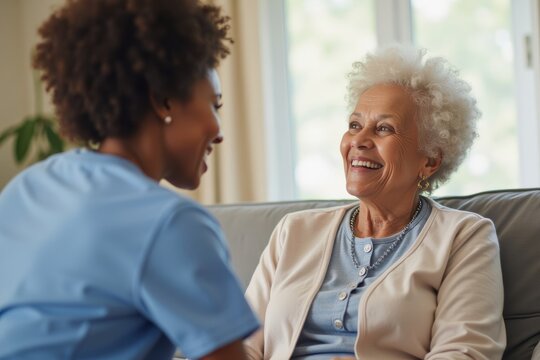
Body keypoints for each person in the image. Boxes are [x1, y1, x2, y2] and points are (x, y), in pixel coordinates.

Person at [0, 0, 259, 359]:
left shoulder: (31, 186)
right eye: (213, 104)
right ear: (164, 101)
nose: (219, 133)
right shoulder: (170, 223)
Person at [244, 46, 506, 359]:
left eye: (384, 128)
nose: (358, 140)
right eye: (355, 125)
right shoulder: (295, 230)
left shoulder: (463, 237)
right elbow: (242, 342)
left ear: (430, 160)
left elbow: (465, 352)